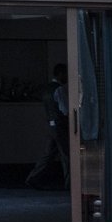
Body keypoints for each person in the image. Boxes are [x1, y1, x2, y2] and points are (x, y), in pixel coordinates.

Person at [27, 62, 69, 190]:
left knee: (48, 154)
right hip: (59, 125)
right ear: (61, 74)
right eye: (65, 74)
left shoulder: (46, 89)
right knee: (66, 155)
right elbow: (65, 110)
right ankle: (70, 184)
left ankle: (32, 178)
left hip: (50, 125)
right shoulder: (59, 89)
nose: (67, 77)